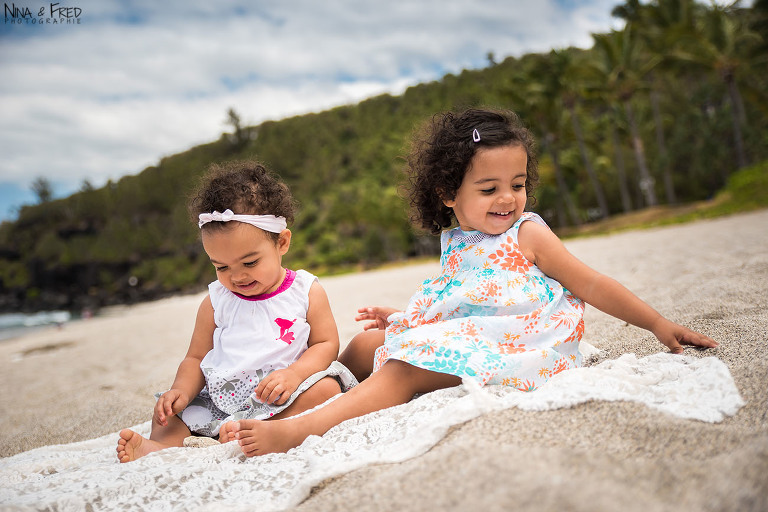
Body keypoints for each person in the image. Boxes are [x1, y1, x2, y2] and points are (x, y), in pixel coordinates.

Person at [227, 107, 718, 457]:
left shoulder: (529, 233)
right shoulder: (461, 240)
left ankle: (299, 430)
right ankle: (307, 396)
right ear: (447, 193)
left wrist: (656, 323)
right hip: (478, 334)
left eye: (518, 184)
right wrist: (402, 318)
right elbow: (470, 304)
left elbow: (591, 283)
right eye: (489, 188)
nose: (508, 198)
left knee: (401, 369)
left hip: (521, 346)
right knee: (364, 344)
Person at [116, 161, 357, 463]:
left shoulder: (305, 290)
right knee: (168, 413)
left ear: (281, 242)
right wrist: (180, 390)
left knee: (327, 389)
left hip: (280, 395)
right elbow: (195, 358)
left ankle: (263, 429)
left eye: (250, 262)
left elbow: (326, 344)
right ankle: (164, 447)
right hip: (221, 400)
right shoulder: (216, 301)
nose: (237, 276)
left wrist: (295, 374)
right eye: (221, 266)